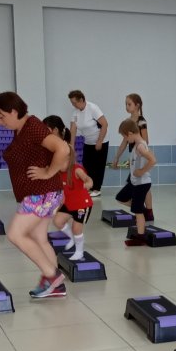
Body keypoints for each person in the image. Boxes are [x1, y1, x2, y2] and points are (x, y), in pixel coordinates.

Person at [0, 91, 70, 299]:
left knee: (15, 234)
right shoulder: (21, 130)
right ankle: (56, 286)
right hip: (41, 193)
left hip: (41, 193)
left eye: (1, 116)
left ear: (13, 111)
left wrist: (48, 172)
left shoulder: (33, 126)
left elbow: (62, 148)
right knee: (38, 238)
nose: (0, 122)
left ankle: (52, 276)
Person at [43, 115, 93, 261]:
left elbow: (88, 179)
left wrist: (88, 184)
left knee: (77, 228)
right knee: (57, 221)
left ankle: (79, 251)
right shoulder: (60, 173)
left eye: (60, 161)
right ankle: (71, 237)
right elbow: (62, 192)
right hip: (70, 203)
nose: (58, 164)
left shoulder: (76, 170)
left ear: (68, 159)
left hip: (82, 204)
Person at [110, 93, 153, 220]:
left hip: (141, 157)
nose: (127, 107)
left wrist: (139, 152)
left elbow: (146, 140)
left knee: (143, 184)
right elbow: (124, 142)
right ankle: (142, 210)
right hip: (134, 157)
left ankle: (148, 211)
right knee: (138, 184)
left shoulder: (141, 121)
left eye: (129, 104)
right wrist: (117, 157)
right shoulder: (128, 122)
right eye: (126, 104)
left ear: (137, 105)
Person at [115, 119, 156, 247]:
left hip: (141, 184)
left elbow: (153, 160)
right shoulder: (137, 144)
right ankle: (142, 211)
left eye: (125, 137)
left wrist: (142, 171)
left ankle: (140, 238)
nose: (126, 140)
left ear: (130, 133)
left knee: (137, 212)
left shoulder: (140, 146)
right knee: (121, 197)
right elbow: (139, 161)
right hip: (134, 182)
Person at [67, 90, 108, 197]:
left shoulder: (93, 108)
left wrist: (99, 141)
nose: (73, 105)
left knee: (98, 166)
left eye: (74, 102)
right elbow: (73, 129)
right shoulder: (75, 112)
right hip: (88, 142)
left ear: (81, 100)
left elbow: (104, 124)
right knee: (87, 165)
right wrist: (71, 146)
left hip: (101, 141)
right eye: (72, 103)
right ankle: (89, 187)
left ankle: (97, 189)